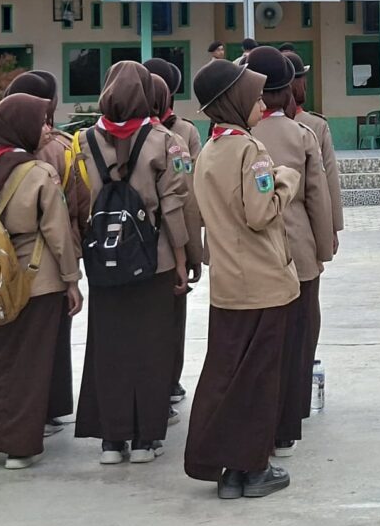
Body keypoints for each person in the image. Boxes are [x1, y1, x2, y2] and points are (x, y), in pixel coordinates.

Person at [182, 57, 300, 499]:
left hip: (228, 283)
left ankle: (229, 470)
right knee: (259, 379)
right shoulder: (250, 151)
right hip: (263, 282)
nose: (261, 104)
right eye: (253, 97)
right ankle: (254, 468)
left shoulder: (209, 151)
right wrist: (286, 180)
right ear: (234, 101)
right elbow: (261, 212)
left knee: (227, 376)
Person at [68, 62, 193, 465]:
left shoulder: (82, 141)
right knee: (151, 347)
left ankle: (111, 439)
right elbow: (173, 206)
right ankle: (144, 440)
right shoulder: (165, 141)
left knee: (108, 347)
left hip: (103, 258)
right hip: (153, 258)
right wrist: (182, 258)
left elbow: (76, 203)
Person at [0, 92, 82, 469]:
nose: (46, 129)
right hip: (36, 280)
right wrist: (72, 280)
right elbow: (57, 233)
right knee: (30, 365)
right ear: (20, 127)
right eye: (40, 122)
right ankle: (19, 447)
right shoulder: (39, 173)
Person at [244, 47, 336, 458]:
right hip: (297, 249)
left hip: (251, 252)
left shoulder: (237, 138)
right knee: (299, 333)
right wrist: (323, 247)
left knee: (259, 340)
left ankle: (259, 418)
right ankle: (291, 416)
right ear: (288, 89)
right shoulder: (303, 133)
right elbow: (318, 195)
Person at [289, 52, 343, 438]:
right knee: (306, 314)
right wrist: (330, 233)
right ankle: (299, 384)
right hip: (304, 236)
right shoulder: (313, 127)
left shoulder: (250, 129)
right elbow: (325, 186)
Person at [146, 56, 203, 407]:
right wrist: (192, 252)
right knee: (169, 316)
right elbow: (187, 198)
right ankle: (167, 382)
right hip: (169, 243)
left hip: (120, 246)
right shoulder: (182, 134)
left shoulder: (104, 134)